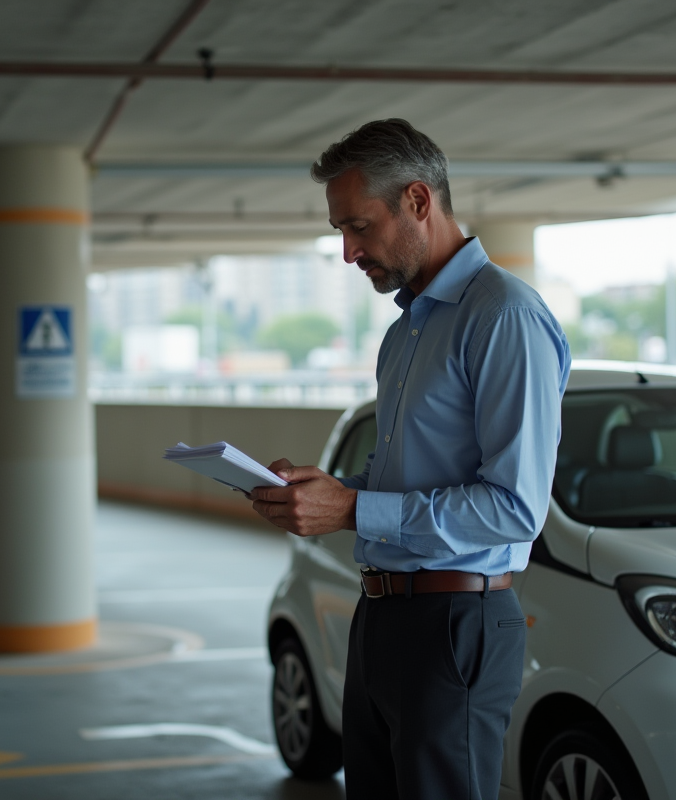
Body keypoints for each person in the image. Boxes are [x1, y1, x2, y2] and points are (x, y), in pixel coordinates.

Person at [250, 119, 571, 799]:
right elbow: (401, 479)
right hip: (383, 617)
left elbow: (514, 510)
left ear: (418, 201)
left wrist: (355, 508)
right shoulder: (405, 332)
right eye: (340, 230)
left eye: (358, 227)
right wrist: (330, 494)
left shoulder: (504, 316)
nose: (347, 252)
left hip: (456, 625)